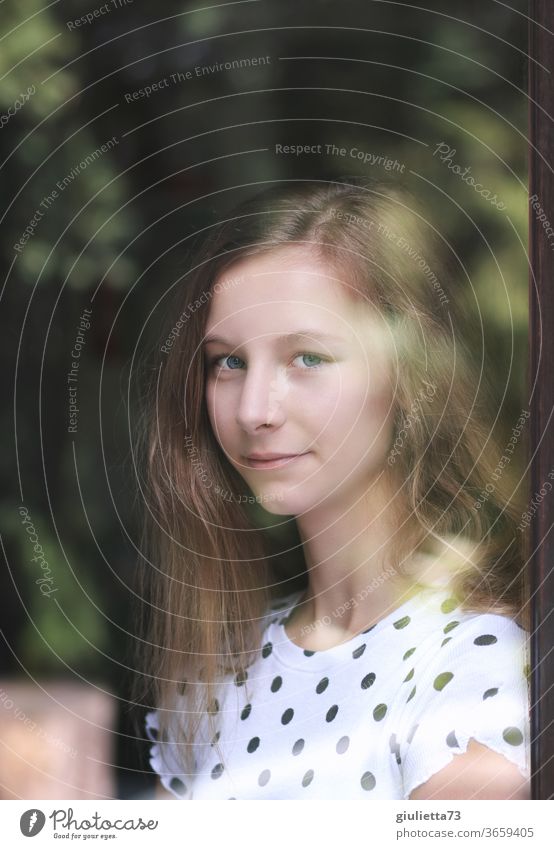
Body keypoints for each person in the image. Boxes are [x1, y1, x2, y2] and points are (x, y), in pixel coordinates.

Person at [137, 177, 530, 800]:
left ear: (408, 372)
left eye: (307, 357)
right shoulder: (219, 675)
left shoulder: (476, 672)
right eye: (229, 362)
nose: (254, 410)